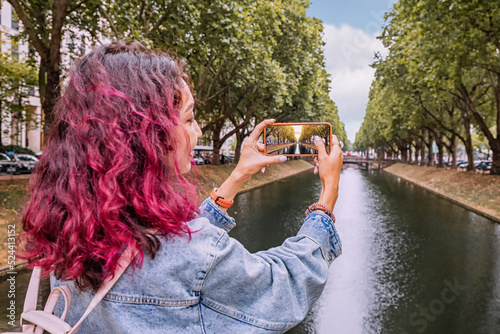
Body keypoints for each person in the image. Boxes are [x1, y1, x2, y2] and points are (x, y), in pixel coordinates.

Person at [19, 40, 343, 333]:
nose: (199, 131)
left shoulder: (68, 229)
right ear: (148, 135)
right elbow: (283, 287)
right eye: (189, 119)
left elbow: (162, 245)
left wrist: (238, 175)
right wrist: (326, 199)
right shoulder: (195, 253)